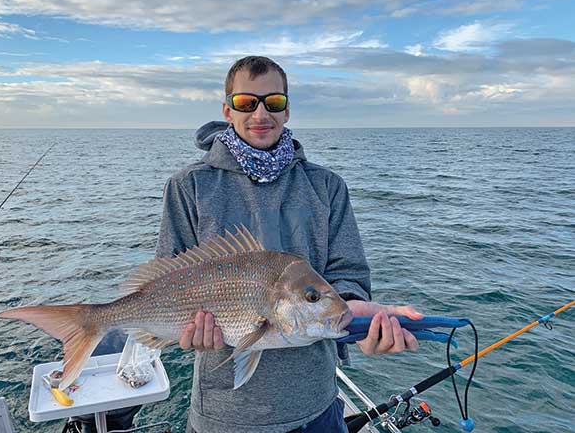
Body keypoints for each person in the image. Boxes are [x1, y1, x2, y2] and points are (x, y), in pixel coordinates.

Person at [155, 56, 422, 433]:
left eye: (273, 102)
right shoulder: (189, 186)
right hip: (224, 415)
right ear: (227, 110)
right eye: (247, 102)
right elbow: (170, 274)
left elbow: (348, 276)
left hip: (316, 407)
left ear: (287, 109)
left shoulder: (327, 186)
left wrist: (358, 321)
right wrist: (182, 330)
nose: (260, 113)